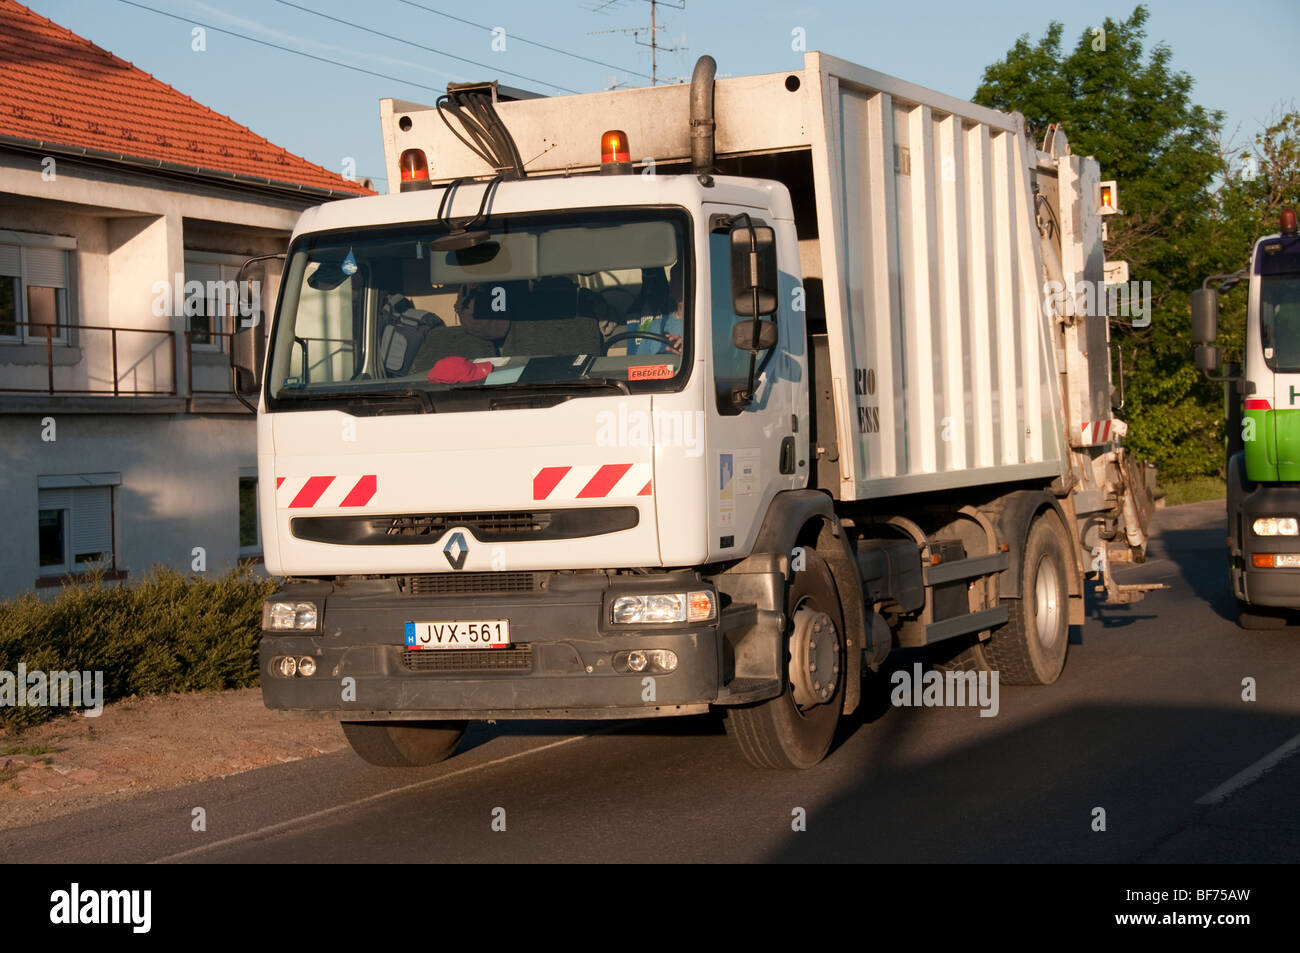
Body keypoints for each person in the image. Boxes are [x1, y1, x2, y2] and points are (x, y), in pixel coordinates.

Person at [624, 260, 684, 355]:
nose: (683, 285)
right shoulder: (655, 326)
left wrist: (688, 350)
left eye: (687, 280)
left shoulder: (708, 324)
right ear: (671, 286)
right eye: (678, 280)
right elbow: (637, 365)